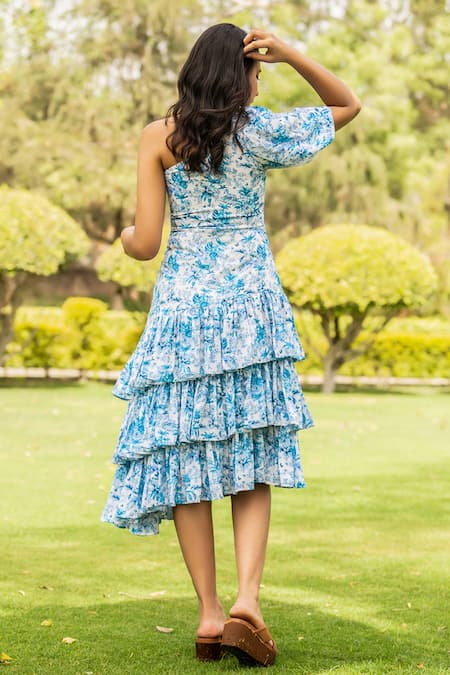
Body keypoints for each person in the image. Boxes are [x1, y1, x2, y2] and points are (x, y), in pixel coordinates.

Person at [101, 23, 361, 666]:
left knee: (187, 458)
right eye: (258, 72)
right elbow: (346, 104)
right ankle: (248, 600)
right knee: (253, 458)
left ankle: (211, 615)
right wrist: (292, 53)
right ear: (240, 75)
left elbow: (146, 244)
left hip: (184, 314)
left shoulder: (159, 138)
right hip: (251, 313)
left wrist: (126, 236)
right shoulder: (259, 132)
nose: (260, 82)